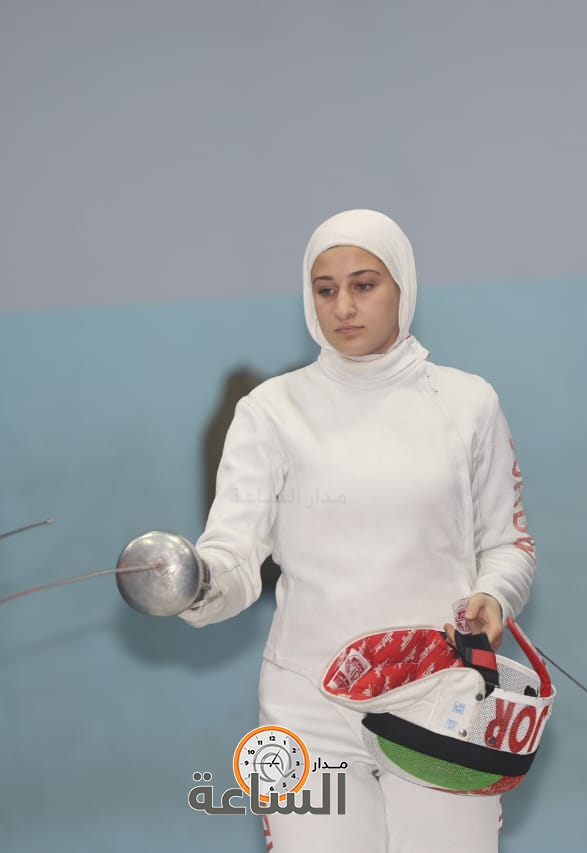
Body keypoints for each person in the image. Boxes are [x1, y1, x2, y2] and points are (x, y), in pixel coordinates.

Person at [179, 209, 536, 852]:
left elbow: (506, 546)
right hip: (307, 702)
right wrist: (196, 584)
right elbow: (232, 552)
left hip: (442, 700)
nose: (342, 306)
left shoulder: (467, 402)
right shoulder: (271, 411)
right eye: (325, 289)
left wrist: (495, 595)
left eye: (364, 285)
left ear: (403, 287)